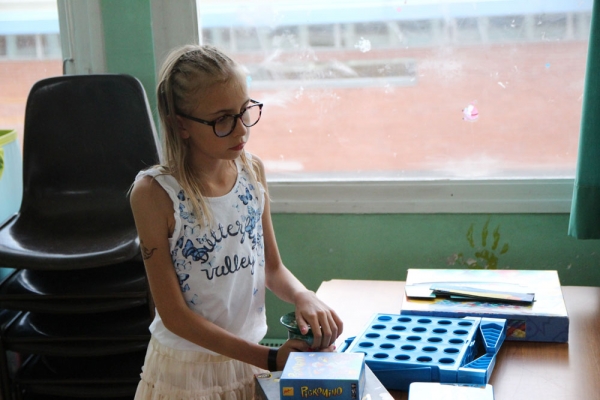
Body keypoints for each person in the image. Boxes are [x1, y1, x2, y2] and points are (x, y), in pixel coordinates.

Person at [129, 44, 343, 400]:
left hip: (248, 361)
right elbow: (175, 316)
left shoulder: (251, 170)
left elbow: (272, 268)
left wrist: (303, 295)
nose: (241, 130)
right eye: (222, 119)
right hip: (186, 373)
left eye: (245, 111)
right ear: (181, 124)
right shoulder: (154, 194)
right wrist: (270, 358)